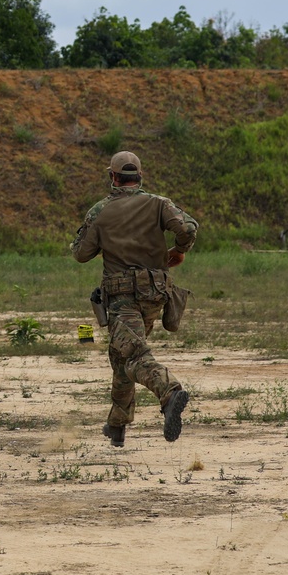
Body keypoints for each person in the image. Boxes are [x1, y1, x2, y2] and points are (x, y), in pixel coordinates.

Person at [70, 151, 198, 447]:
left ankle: (170, 392)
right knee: (121, 354)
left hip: (122, 298)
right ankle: (116, 425)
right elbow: (188, 228)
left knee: (134, 355)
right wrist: (178, 251)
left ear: (113, 177)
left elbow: (81, 255)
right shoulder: (159, 203)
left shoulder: (100, 210)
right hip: (155, 296)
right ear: (139, 176)